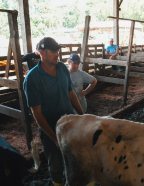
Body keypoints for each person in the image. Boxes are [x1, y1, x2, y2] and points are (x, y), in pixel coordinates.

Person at [23, 37, 83, 186]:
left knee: (76, 157)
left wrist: (82, 116)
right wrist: (54, 138)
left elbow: (70, 93)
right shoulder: (32, 79)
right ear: (42, 52)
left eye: (58, 50)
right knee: (55, 163)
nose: (57, 54)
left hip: (70, 122)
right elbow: (37, 113)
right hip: (51, 127)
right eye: (53, 51)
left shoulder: (62, 68)